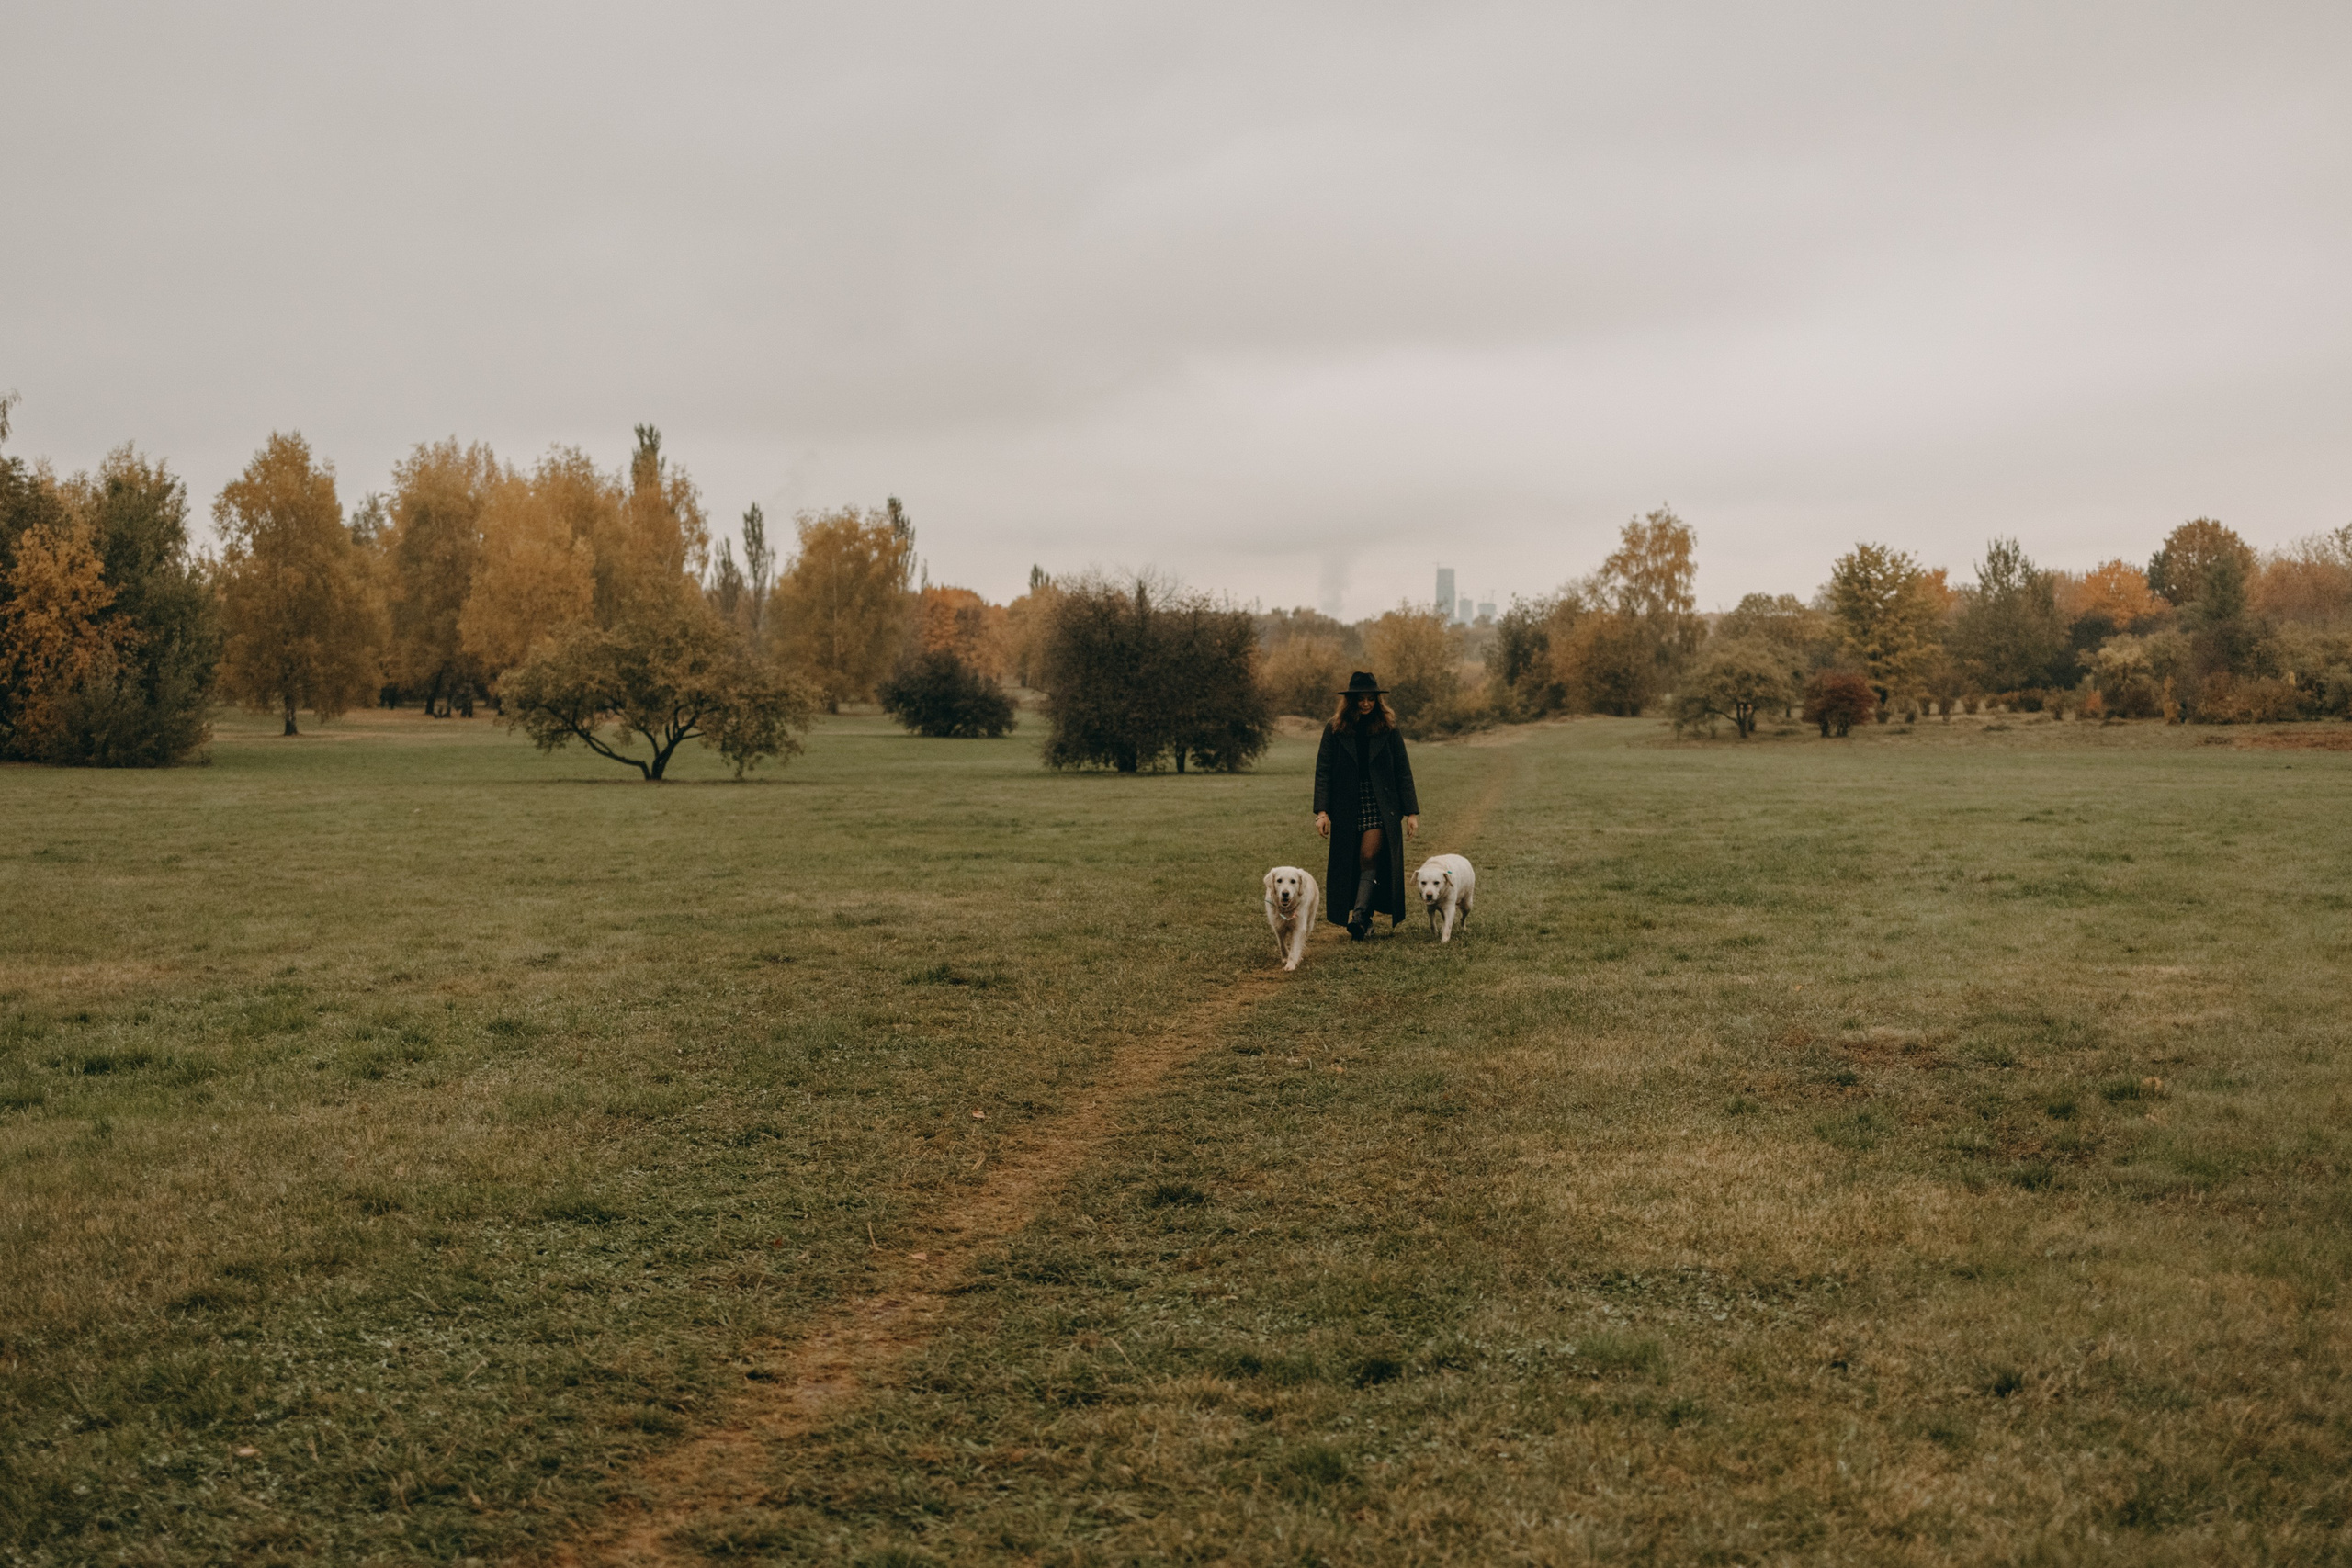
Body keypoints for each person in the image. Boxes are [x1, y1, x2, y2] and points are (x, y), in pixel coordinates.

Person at [1313, 671, 1420, 941]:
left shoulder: (1389, 728)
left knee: (1369, 855)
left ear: (1377, 700)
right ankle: (1366, 918)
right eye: (1360, 699)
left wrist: (1411, 812)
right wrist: (1322, 812)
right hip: (1346, 804)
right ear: (1350, 701)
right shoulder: (1335, 728)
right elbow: (1323, 771)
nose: (1365, 704)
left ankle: (1359, 917)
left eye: (1370, 698)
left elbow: (1402, 770)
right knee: (1351, 862)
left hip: (1380, 803)